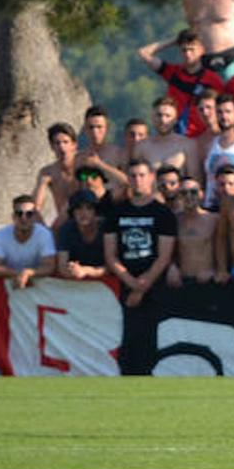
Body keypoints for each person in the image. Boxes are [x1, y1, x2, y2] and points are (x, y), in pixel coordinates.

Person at [102, 159, 178, 373]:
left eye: (142, 175)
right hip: (124, 283)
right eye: (133, 176)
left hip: (154, 285)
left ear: (151, 177)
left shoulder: (163, 214)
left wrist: (141, 287)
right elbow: (110, 255)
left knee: (151, 339)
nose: (137, 181)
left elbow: (164, 256)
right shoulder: (116, 213)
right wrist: (131, 283)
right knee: (126, 340)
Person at [137, 30, 226, 137]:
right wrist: (174, 40)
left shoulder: (212, 79)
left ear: (202, 50)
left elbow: (223, 107)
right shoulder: (173, 72)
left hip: (201, 136)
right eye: (184, 50)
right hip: (175, 133)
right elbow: (143, 53)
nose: (188, 54)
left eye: (192, 49)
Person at [0, 194, 56, 288]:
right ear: (13, 216)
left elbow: (49, 266)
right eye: (19, 213)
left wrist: (28, 273)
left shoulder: (44, 234)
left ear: (35, 217)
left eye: (29, 214)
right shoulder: (1, 235)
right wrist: (19, 274)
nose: (24, 218)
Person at [134, 97, 201, 183]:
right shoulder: (141, 147)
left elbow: (195, 179)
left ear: (175, 120)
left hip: (180, 195)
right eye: (159, 115)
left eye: (168, 116)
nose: (163, 120)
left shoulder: (187, 145)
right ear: (152, 117)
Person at [167, 180, 219, 286]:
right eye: (184, 193)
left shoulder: (214, 219)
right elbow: (165, 249)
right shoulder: (173, 220)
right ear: (179, 196)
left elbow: (224, 250)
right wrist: (171, 267)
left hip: (208, 280)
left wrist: (217, 271)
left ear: (201, 194)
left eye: (193, 192)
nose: (189, 196)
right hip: (181, 281)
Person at [33, 123, 81, 228]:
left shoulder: (83, 166)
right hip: (63, 226)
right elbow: (36, 207)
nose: (61, 147)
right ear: (52, 146)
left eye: (65, 142)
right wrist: (45, 230)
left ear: (74, 144)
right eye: (57, 143)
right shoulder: (47, 172)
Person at [54, 190, 107, 280]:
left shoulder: (106, 228)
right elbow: (62, 266)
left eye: (89, 208)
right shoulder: (66, 229)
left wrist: (86, 270)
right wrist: (72, 271)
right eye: (78, 208)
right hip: (75, 281)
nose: (84, 213)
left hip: (106, 282)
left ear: (95, 212)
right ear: (73, 212)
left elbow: (111, 267)